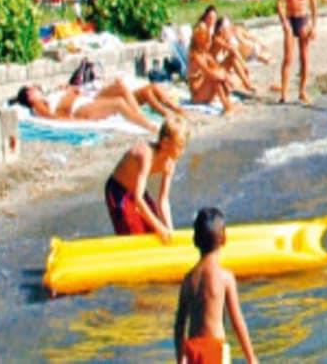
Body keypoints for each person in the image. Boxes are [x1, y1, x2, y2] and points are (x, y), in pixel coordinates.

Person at [174, 207, 258, 364]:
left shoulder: (188, 279)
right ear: (224, 238)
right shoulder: (224, 277)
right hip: (214, 350)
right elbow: (237, 322)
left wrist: (180, 359)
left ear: (195, 240)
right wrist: (251, 358)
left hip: (193, 351)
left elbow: (179, 326)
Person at [106, 118, 187, 239]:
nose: (183, 151)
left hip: (137, 191)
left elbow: (163, 201)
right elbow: (139, 200)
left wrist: (170, 230)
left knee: (152, 227)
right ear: (165, 143)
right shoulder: (146, 156)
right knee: (132, 231)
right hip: (118, 191)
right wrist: (160, 227)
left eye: (184, 146)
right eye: (180, 146)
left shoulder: (169, 163)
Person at [19, 77, 184, 133]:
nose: (35, 88)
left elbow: (74, 90)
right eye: (31, 89)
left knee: (120, 86)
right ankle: (149, 126)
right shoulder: (37, 104)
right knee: (118, 103)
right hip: (79, 109)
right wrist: (73, 121)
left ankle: (138, 116)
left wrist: (68, 89)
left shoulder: (49, 95)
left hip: (87, 98)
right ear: (29, 96)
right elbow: (52, 117)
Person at [277, 0, 316, 104]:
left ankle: (302, 91)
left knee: (305, 58)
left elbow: (313, 4)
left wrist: (314, 25)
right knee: (288, 58)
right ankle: (284, 93)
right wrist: (284, 22)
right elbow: (279, 3)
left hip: (303, 19)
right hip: (290, 19)